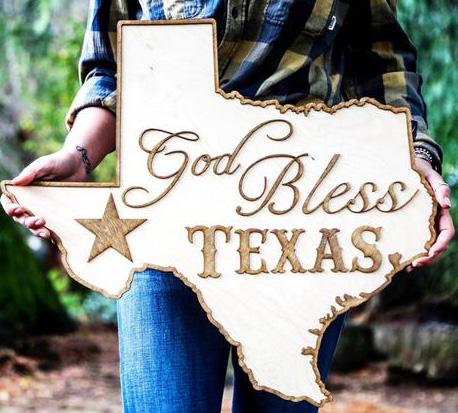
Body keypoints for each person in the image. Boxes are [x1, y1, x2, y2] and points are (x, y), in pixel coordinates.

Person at [1, 1, 455, 412]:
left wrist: (414, 163)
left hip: (303, 234)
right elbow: (110, 68)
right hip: (159, 228)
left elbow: (383, 62)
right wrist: (79, 155)